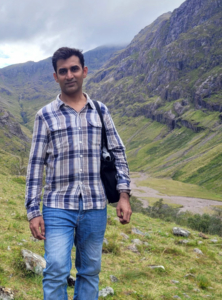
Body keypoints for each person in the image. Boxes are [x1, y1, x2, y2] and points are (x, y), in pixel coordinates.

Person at [25, 47, 132, 300]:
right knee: (56, 270)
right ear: (55, 77)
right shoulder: (45, 115)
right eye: (63, 71)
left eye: (74, 69)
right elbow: (35, 164)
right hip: (57, 205)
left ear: (84, 71)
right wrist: (33, 211)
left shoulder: (101, 111)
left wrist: (124, 195)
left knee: (90, 272)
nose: (69, 75)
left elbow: (118, 151)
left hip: (95, 205)